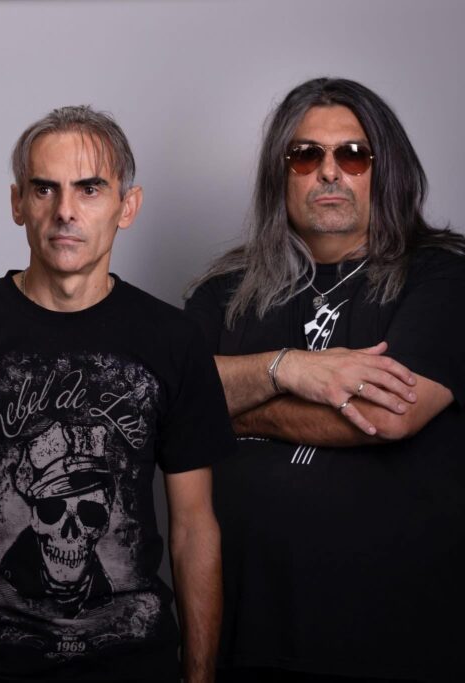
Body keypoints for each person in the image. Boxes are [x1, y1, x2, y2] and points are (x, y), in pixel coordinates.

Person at [0, 105, 232, 683]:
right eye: (45, 189)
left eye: (90, 189)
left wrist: (200, 676)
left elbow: (194, 527)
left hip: (134, 669)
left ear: (127, 206)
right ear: (18, 203)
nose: (65, 211)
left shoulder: (174, 341)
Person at [185, 77, 465, 682]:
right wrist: (291, 368)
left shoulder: (442, 278)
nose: (330, 172)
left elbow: (390, 413)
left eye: (354, 155)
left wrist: (238, 407)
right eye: (306, 155)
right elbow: (173, 395)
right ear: (280, 173)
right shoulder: (225, 292)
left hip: (401, 644)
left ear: (386, 171)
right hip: (249, 638)